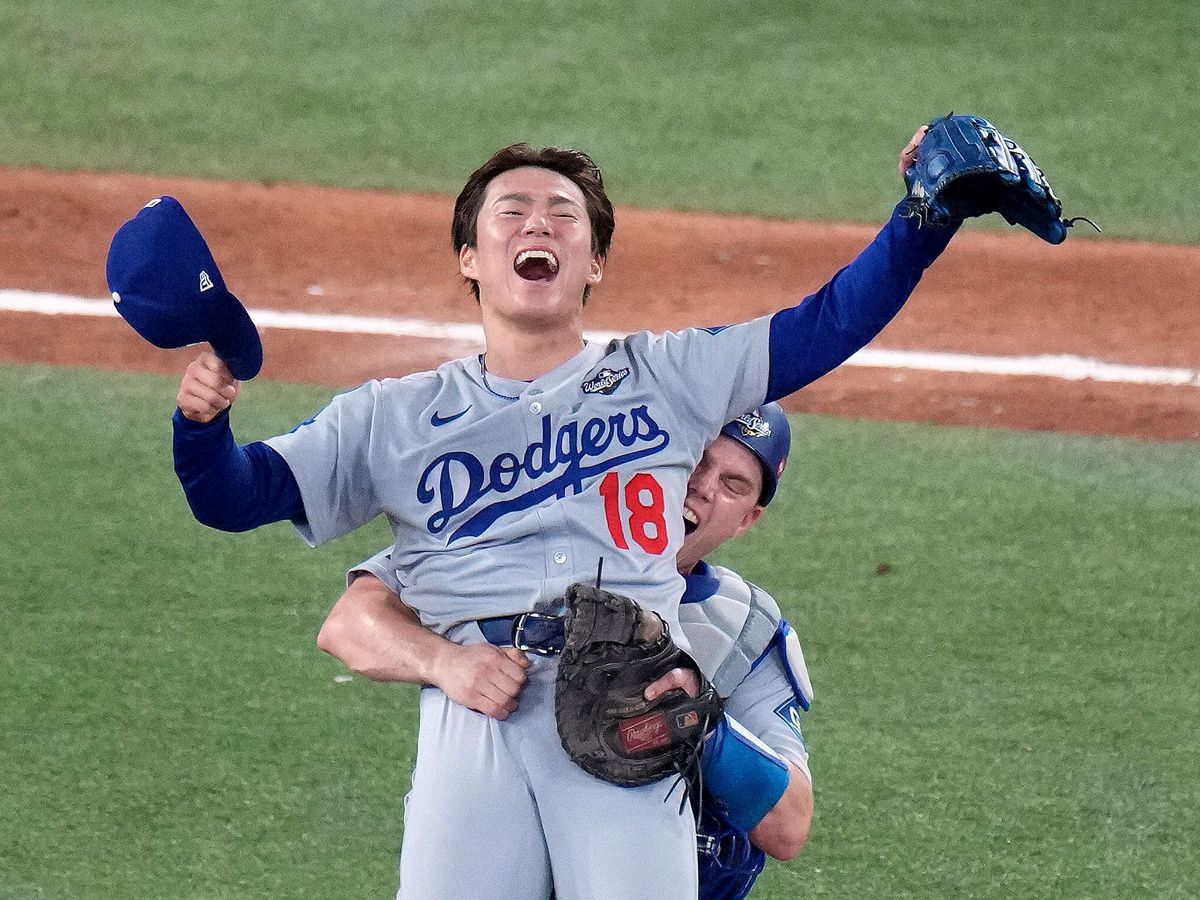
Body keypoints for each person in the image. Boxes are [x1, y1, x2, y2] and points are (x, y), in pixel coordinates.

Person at [171, 127, 955, 898]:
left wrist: (923, 219)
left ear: (595, 264)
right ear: (470, 258)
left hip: (632, 712)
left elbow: (830, 322)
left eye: (563, 213)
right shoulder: (389, 417)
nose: (538, 222)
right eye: (511, 211)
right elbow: (236, 497)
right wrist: (202, 430)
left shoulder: (672, 375)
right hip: (475, 717)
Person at [321, 404, 813, 900]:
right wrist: (444, 661)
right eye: (698, 459)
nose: (703, 487)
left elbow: (788, 825)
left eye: (734, 485)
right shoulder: (521, 533)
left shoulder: (741, 624)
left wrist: (698, 726)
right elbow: (350, 623)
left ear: (748, 519)